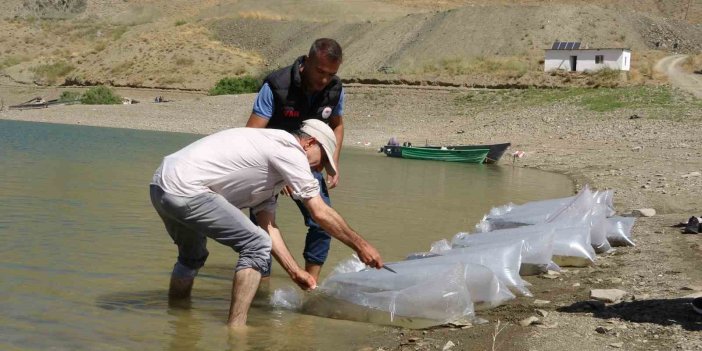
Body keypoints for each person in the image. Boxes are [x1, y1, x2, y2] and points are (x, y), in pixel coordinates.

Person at [150, 119, 384, 327]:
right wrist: (361, 246)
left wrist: (294, 272)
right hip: (187, 189)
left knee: (192, 257)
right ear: (310, 142)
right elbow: (319, 211)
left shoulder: (272, 171)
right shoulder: (289, 148)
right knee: (255, 245)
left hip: (161, 186)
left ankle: (178, 317)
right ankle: (237, 331)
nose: (319, 169)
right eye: (322, 160)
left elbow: (268, 225)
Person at [245, 38, 345, 280]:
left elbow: (337, 126)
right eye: (320, 71)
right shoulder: (277, 85)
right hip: (267, 164)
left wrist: (332, 162)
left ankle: (310, 284)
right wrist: (283, 171)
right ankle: (261, 286)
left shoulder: (334, 89)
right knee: (260, 231)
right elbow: (250, 135)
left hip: (307, 163)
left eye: (330, 74)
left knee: (323, 223)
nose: (324, 80)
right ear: (307, 61)